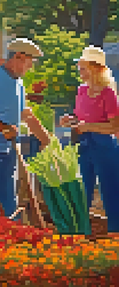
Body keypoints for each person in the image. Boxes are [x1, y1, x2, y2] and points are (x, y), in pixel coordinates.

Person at [0, 38, 50, 219]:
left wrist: (45, 139)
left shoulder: (17, 82)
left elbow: (24, 113)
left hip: (7, 146)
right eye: (30, 61)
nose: (31, 67)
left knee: (8, 195)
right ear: (18, 57)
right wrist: (3, 128)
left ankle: (11, 234)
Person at [60, 46, 119, 233]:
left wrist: (88, 126)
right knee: (81, 191)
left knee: (110, 192)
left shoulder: (108, 93)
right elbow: (80, 119)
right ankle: (81, 234)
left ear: (95, 68)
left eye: (83, 67)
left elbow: (115, 127)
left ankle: (115, 234)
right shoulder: (81, 91)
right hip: (83, 144)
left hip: (105, 146)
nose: (79, 70)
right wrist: (70, 120)